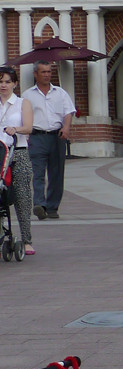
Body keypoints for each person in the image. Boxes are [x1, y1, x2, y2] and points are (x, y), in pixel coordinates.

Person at [22, 61, 75, 221]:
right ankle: (40, 204)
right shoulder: (27, 95)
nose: (46, 74)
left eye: (49, 71)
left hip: (57, 137)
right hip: (37, 137)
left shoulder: (60, 93)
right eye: (43, 72)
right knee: (37, 173)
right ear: (35, 74)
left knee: (56, 173)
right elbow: (23, 116)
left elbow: (68, 112)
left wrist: (66, 127)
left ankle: (52, 207)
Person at [0, 66, 35, 255]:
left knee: (22, 195)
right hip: (0, 152)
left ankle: (26, 239)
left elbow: (28, 127)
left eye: (7, 81)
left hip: (17, 151)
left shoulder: (23, 103)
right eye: (0, 81)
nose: (3, 85)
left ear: (14, 83)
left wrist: (16, 129)